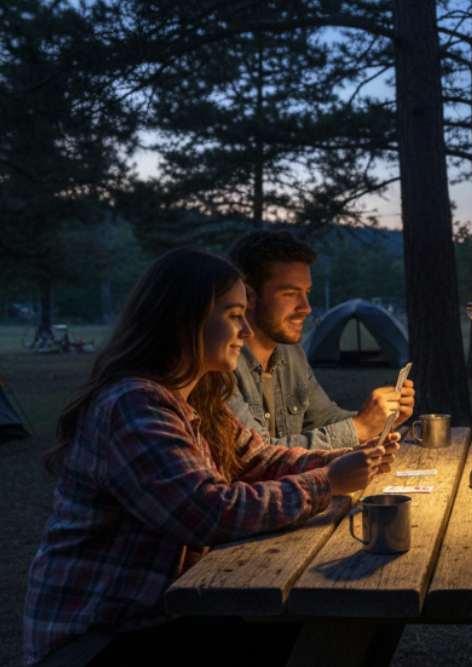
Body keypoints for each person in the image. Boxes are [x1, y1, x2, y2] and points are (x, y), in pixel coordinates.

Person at [23, 249, 398, 666]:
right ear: (186, 319)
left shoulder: (197, 397)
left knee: (354, 617)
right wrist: (328, 481)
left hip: (167, 611)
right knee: (336, 620)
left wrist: (351, 457)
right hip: (99, 636)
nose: (244, 329)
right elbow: (209, 513)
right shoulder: (133, 405)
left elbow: (259, 459)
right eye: (234, 314)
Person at [227, 230, 416, 450]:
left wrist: (378, 422)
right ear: (248, 296)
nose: (305, 308)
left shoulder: (291, 353)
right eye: (290, 293)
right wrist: (360, 428)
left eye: (306, 292)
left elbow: (324, 419)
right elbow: (256, 455)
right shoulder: (220, 364)